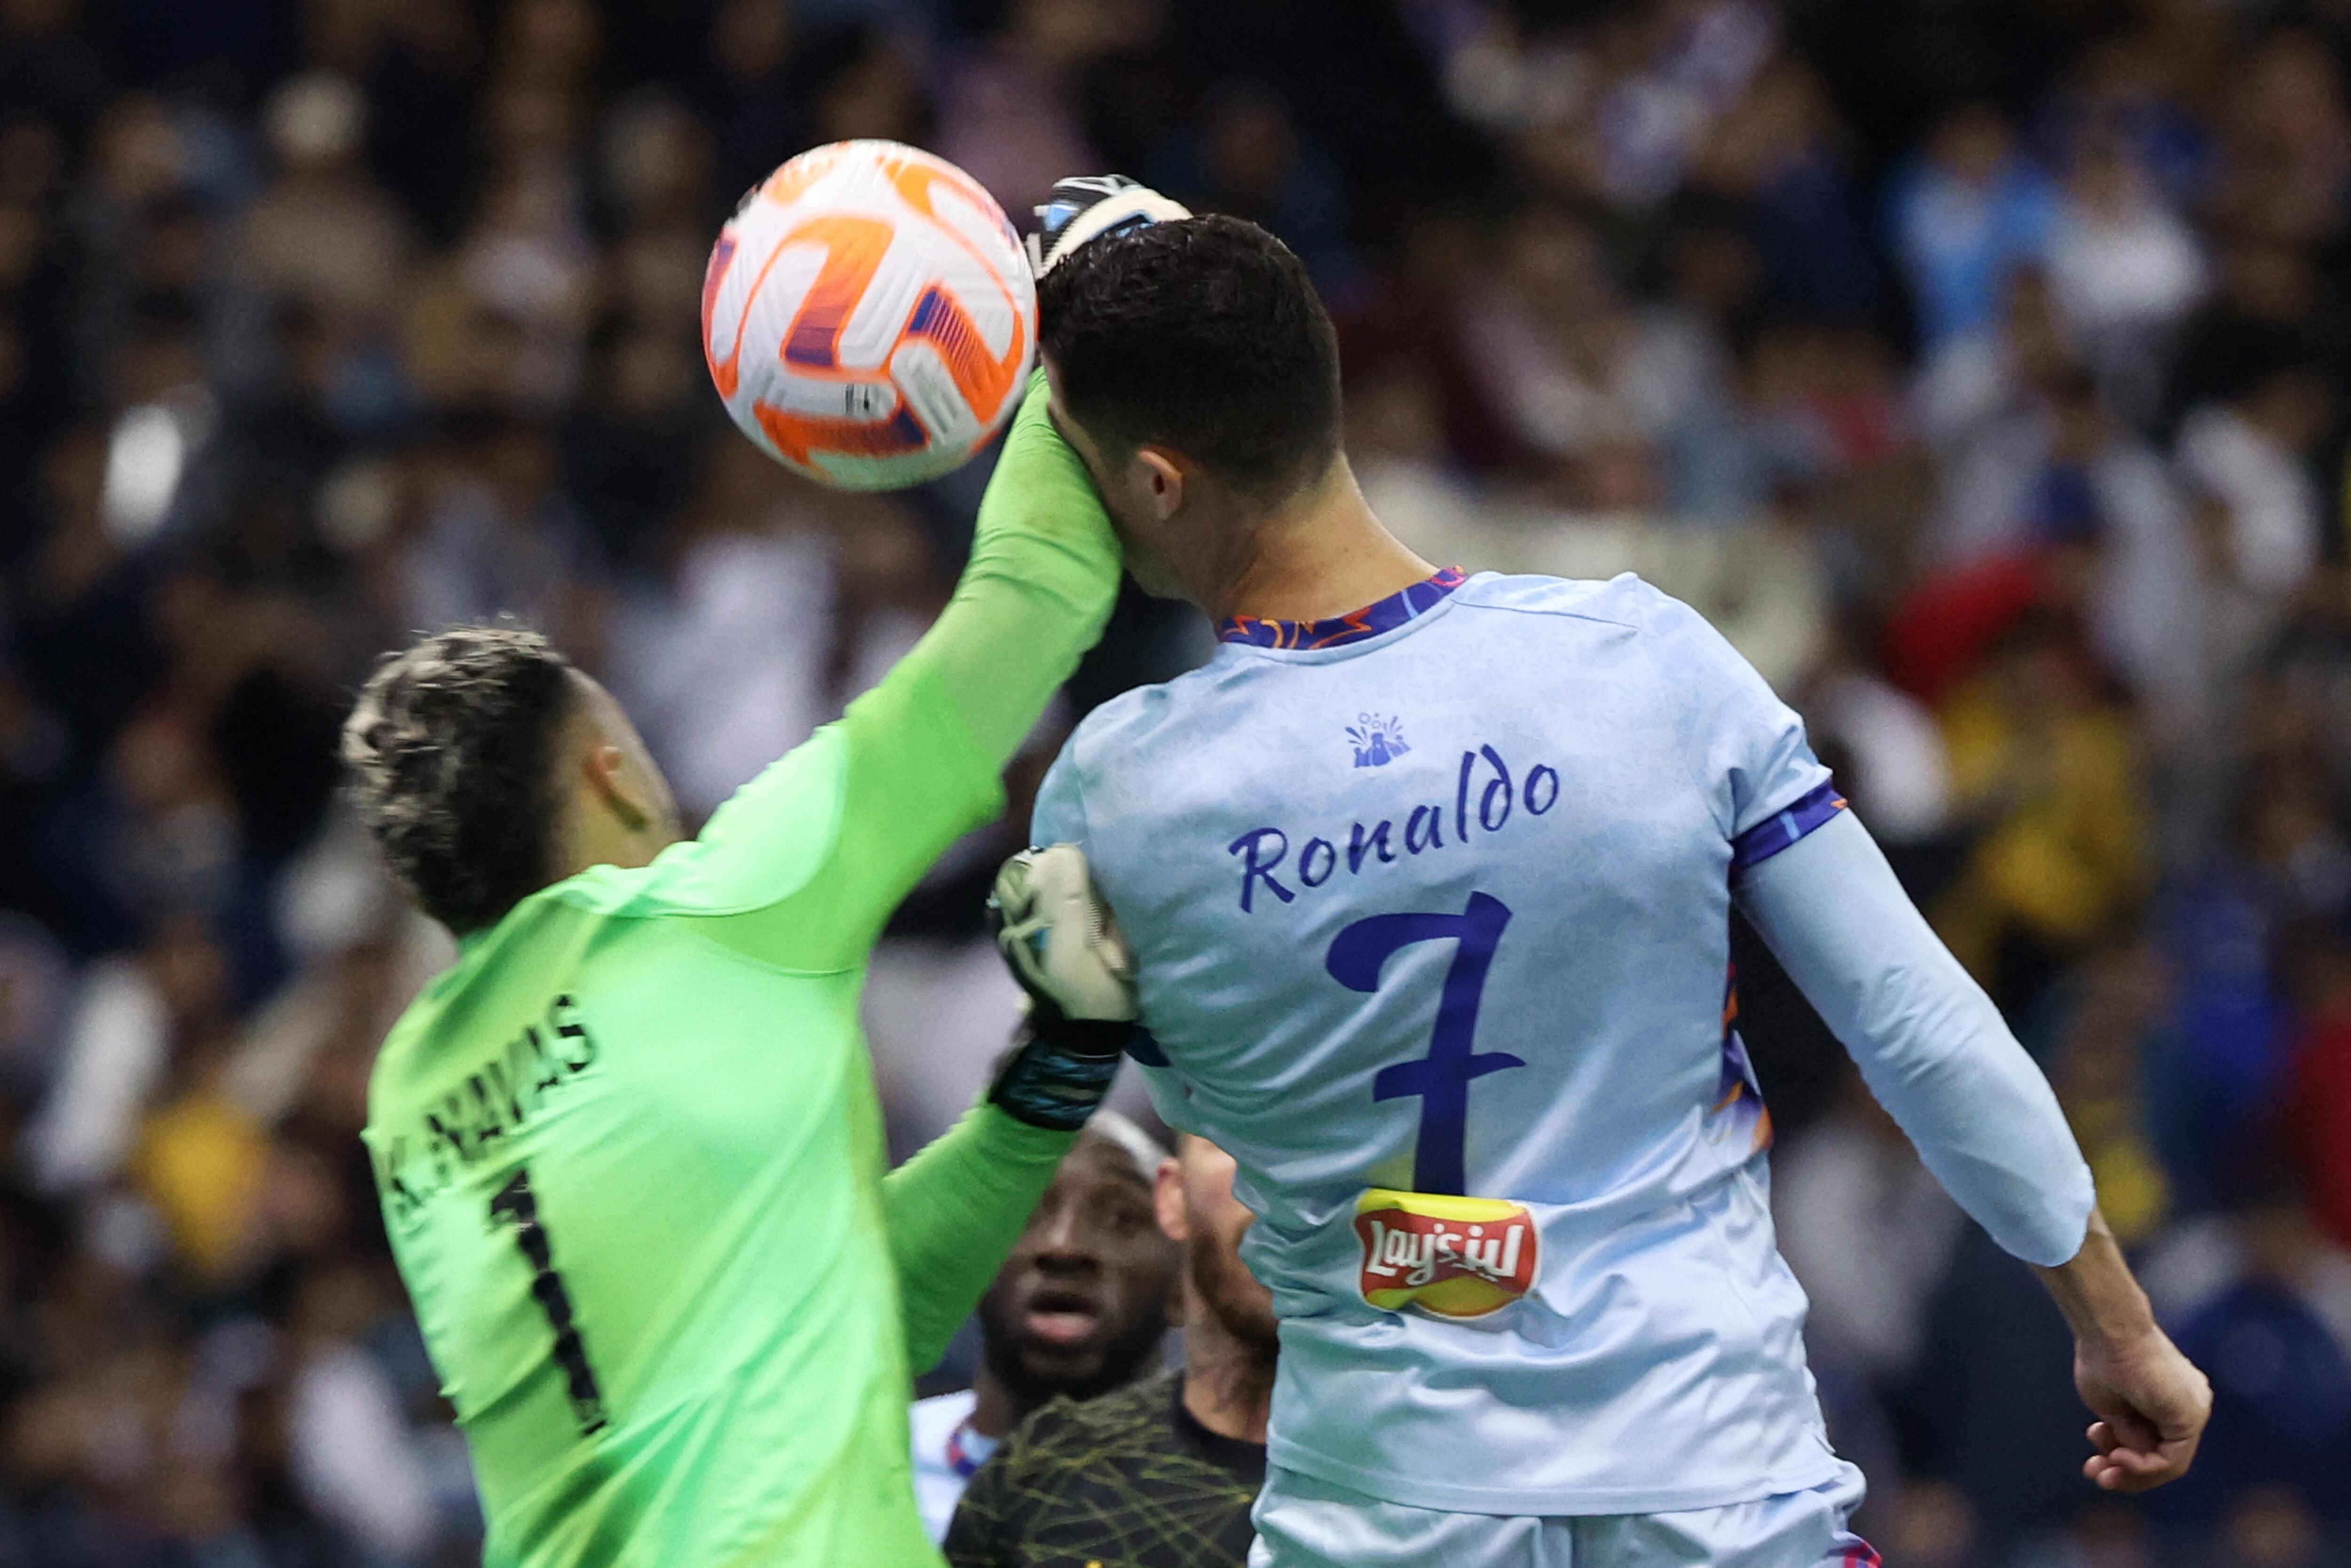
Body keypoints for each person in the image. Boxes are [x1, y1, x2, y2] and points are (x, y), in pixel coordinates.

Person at [997, 183, 2212, 1568]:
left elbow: (1201, 1118)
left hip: (1387, 1513)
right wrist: (2118, 1328)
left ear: (1151, 481)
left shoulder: (1113, 792)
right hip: (1714, 1490)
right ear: (1318, 397)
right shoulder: (1650, 662)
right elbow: (1914, 1019)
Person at [340, 371, 1127, 1568]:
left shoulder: (410, 1094)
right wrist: (1065, 356)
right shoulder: (718, 913)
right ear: (613, 772)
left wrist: (1050, 1079)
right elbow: (1036, 599)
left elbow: (841, 1319)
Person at [947, 1133, 1278, 1568]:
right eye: (1242, 1137)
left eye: (1328, 1141)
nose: (1291, 1181)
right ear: (1173, 1196)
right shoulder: (1039, 1470)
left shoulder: (1397, 1492)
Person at [911, 1112, 1182, 1539]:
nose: (1064, 1246)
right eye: (1023, 1210)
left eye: (1122, 1219)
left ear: (1189, 1281)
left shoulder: (1250, 1502)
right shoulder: (861, 1460)